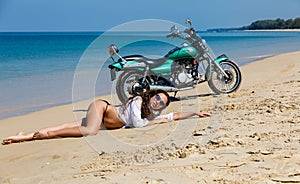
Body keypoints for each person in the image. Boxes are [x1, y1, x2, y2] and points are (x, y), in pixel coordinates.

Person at [2, 90, 211, 145]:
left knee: (70, 126)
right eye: (157, 98)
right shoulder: (138, 102)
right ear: (151, 95)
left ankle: (25, 136)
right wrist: (156, 120)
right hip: (101, 108)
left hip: (104, 121)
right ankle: (45, 135)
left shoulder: (147, 113)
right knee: (89, 131)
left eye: (161, 103)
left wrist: (194, 113)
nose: (158, 102)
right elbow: (138, 125)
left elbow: (172, 116)